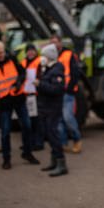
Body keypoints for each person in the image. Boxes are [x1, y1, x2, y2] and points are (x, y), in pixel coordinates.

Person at [0, 41, 39, 169]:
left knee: (27, 126)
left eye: (3, 51)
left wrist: (19, 82)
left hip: (18, 98)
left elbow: (22, 73)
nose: (2, 54)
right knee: (6, 131)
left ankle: (27, 153)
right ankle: (6, 158)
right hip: (3, 102)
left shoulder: (12, 58)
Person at [34, 44, 68, 177]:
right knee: (50, 134)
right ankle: (54, 161)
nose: (42, 58)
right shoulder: (49, 69)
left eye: (44, 55)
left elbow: (56, 89)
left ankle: (61, 163)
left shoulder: (57, 70)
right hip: (47, 107)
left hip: (52, 108)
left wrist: (40, 84)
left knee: (53, 135)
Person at [50, 35, 82, 153]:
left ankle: (77, 139)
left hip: (67, 92)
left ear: (60, 43)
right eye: (52, 43)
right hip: (56, 92)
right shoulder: (51, 57)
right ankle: (63, 143)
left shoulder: (69, 54)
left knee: (68, 117)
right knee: (59, 120)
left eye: (55, 42)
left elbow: (75, 72)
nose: (54, 45)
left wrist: (69, 88)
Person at [21, 44, 42, 151]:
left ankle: (38, 142)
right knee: (27, 120)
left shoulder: (40, 61)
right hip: (25, 94)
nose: (30, 52)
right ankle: (28, 142)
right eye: (28, 50)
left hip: (35, 94)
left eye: (32, 50)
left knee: (35, 120)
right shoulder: (23, 62)